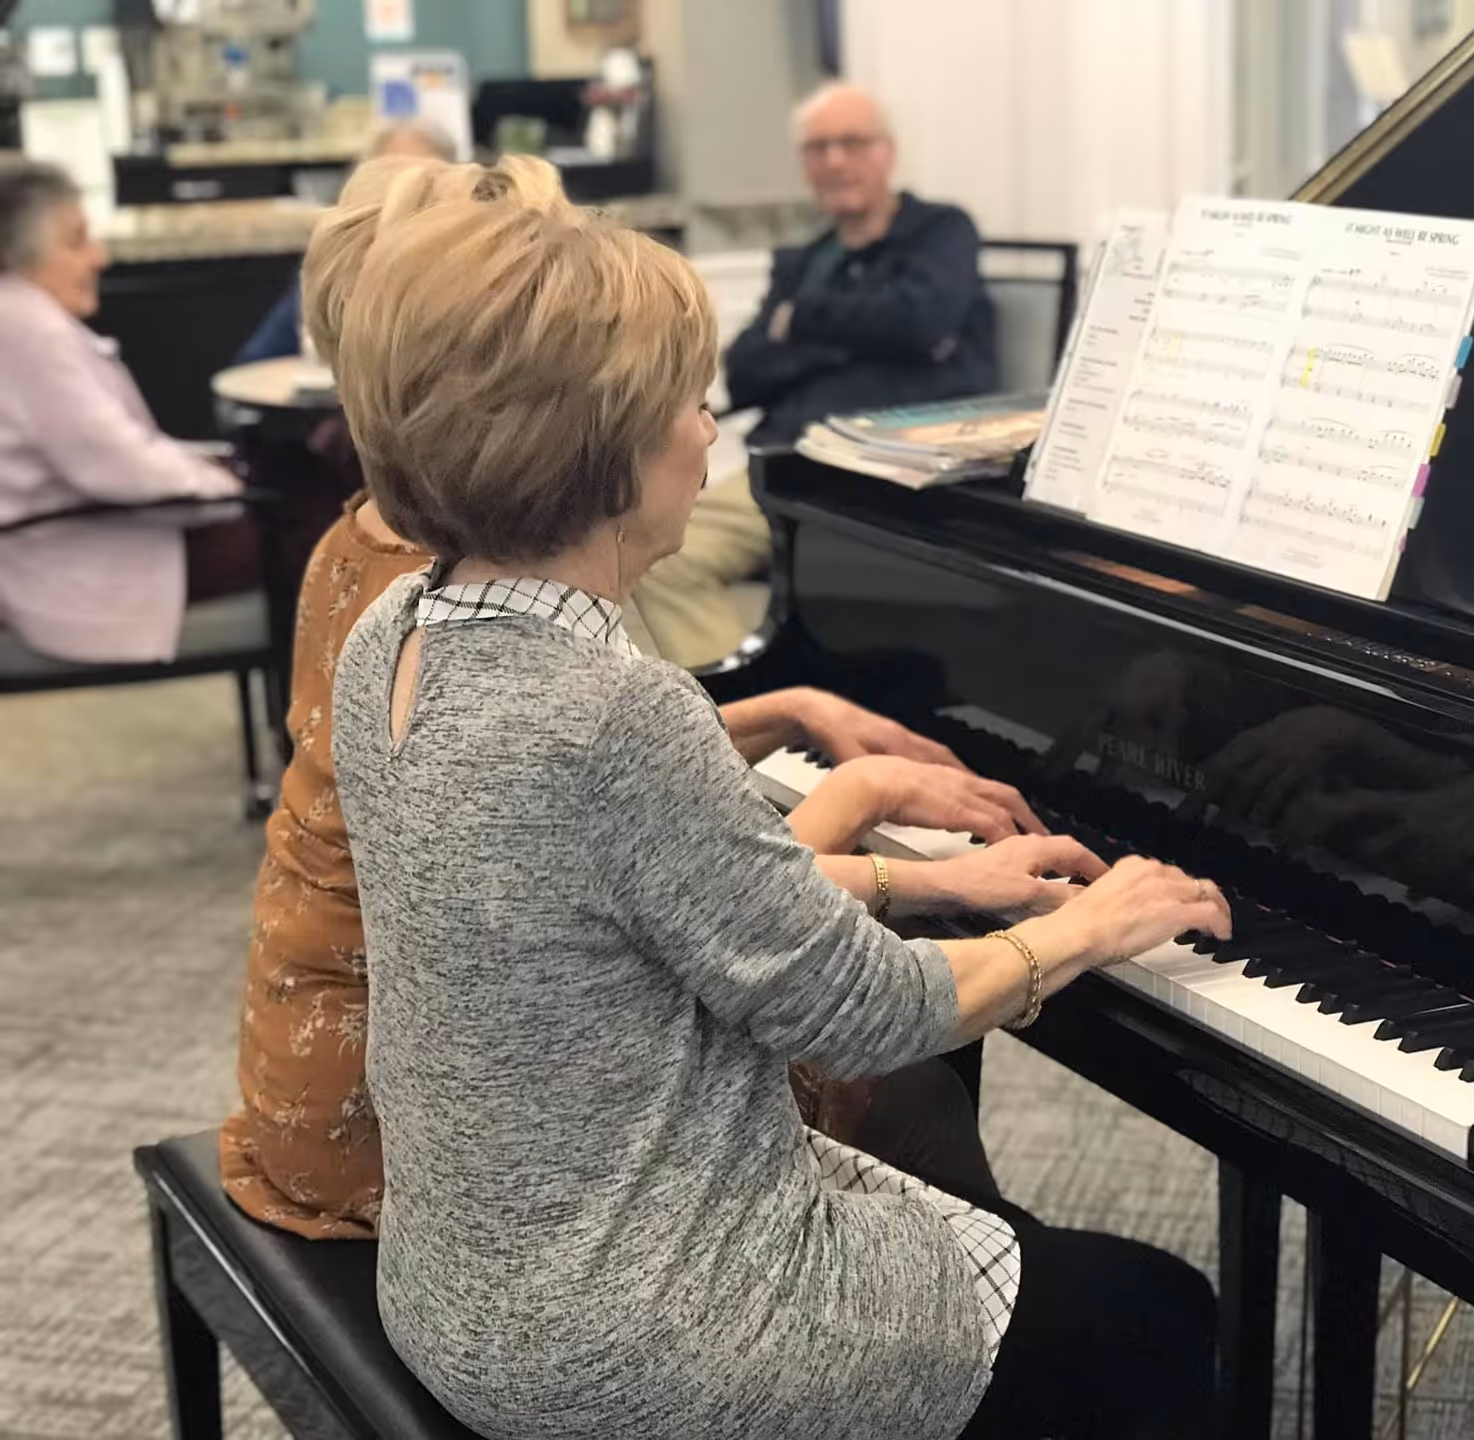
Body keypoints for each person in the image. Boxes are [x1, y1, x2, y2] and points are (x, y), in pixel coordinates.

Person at [326, 195, 1229, 1438]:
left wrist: (936, 883)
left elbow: (625, 914)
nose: (710, 435)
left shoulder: (394, 635)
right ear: (598, 451)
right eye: (690, 404)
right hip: (630, 1331)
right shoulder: (611, 715)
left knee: (1001, 1242)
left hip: (464, 1275)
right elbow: (865, 1014)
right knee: (1163, 1315)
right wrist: (1094, 922)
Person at [221, 153, 1042, 1241]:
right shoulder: (455, 602)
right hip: (431, 1124)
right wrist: (910, 870)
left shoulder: (382, 566)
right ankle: (965, 1310)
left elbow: (582, 813)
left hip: (346, 1040)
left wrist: (789, 720)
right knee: (909, 1078)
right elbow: (651, 875)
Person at [0, 159, 245, 663]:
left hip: (76, 542)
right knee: (318, 528)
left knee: (303, 486)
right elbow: (118, 464)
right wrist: (230, 485)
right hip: (82, 566)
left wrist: (214, 466)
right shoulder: (28, 331)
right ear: (18, 253)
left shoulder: (23, 318)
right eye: (76, 241)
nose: (98, 257)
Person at [724, 82, 998, 447]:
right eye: (817, 148)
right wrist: (861, 343)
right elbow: (743, 371)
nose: (834, 161)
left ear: (888, 152)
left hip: (905, 452)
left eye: (853, 142)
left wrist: (799, 322)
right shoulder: (804, 261)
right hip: (788, 453)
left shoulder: (942, 231)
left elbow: (917, 326)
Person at [232, 120, 459, 367]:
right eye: (391, 183)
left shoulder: (473, 283)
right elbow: (254, 365)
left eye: (427, 186)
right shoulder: (334, 272)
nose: (407, 201)